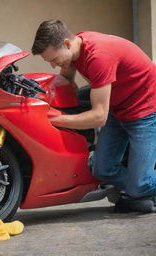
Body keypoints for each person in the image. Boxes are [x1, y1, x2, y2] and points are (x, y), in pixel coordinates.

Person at [31, 19, 156, 213]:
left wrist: (52, 120)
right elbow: (65, 78)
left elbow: (99, 117)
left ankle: (140, 187)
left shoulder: (99, 57)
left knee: (139, 184)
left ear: (66, 44)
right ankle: (139, 189)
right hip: (118, 108)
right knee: (102, 170)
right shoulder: (76, 47)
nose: (54, 66)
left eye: (54, 59)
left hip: (145, 110)